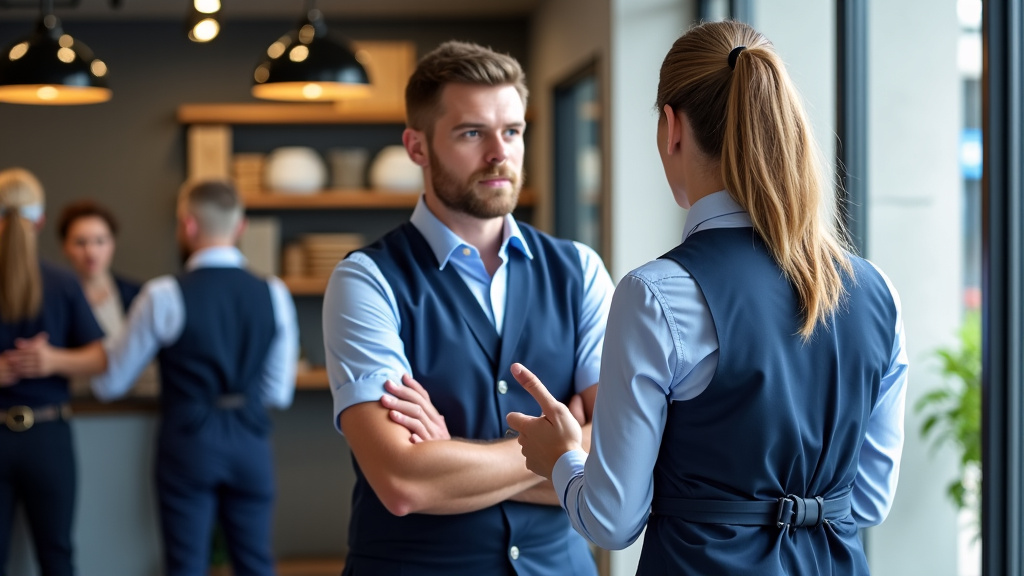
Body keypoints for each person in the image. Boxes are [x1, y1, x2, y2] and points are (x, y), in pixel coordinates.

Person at [507, 20, 908, 576]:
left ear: (671, 128)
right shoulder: (875, 290)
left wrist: (562, 459)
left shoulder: (656, 294)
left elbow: (613, 520)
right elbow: (866, 502)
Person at [323, 40, 614, 575]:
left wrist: (449, 459)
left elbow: (623, 466)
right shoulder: (366, 280)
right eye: (471, 132)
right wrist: (560, 454)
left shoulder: (581, 271)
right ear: (417, 147)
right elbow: (404, 483)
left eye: (512, 131)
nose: (499, 153)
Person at [13, 180, 300, 576]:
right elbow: (279, 392)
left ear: (188, 225)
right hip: (251, 441)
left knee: (186, 564)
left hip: (189, 443)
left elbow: (111, 383)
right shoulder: (274, 292)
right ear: (240, 227)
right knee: (255, 562)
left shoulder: (163, 294)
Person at [0, 168, 106, 576]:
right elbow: (101, 358)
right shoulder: (63, 282)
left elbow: (100, 358)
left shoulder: (62, 282)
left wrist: (50, 360)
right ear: (41, 220)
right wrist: (56, 362)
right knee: (57, 555)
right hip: (48, 436)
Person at [57, 199, 158, 397]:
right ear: (65, 247)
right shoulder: (53, 297)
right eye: (80, 242)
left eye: (100, 241)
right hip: (76, 406)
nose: (91, 252)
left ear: (113, 243)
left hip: (132, 406)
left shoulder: (138, 295)